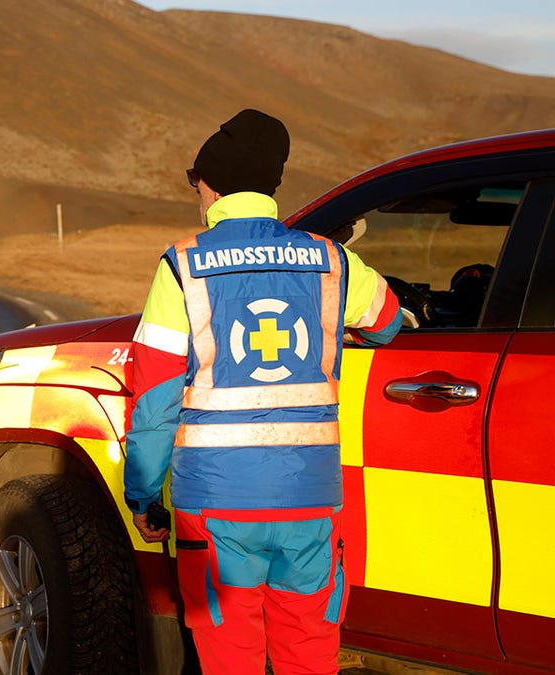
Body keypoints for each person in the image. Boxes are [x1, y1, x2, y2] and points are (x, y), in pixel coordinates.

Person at [124, 109, 403, 674]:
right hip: (310, 498)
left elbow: (154, 400)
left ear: (212, 185)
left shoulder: (182, 265)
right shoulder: (330, 258)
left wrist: (144, 495)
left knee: (232, 660)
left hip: (215, 505)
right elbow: (388, 320)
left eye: (196, 183)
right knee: (309, 653)